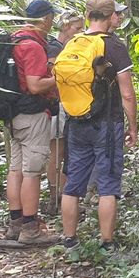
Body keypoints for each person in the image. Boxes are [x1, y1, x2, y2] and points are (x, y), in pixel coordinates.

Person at [60, 0, 137, 252]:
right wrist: (133, 127)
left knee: (72, 185)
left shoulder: (74, 42)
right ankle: (107, 242)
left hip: (76, 121)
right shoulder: (113, 46)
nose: (120, 17)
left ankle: (69, 239)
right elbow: (127, 93)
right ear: (109, 16)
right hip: (106, 123)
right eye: (117, 13)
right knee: (108, 184)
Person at [5, 0, 61, 244]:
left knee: (15, 169)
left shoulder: (13, 39)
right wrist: (59, 78)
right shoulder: (33, 46)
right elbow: (35, 85)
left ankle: (14, 222)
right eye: (51, 18)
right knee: (32, 172)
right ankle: (30, 227)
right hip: (32, 114)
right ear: (46, 19)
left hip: (13, 114)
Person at [45, 12, 84, 213]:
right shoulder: (55, 47)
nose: (80, 32)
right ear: (65, 27)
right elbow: (54, 74)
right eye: (77, 28)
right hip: (57, 105)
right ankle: (56, 196)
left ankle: (64, 194)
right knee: (56, 152)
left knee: (64, 152)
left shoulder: (65, 47)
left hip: (66, 105)